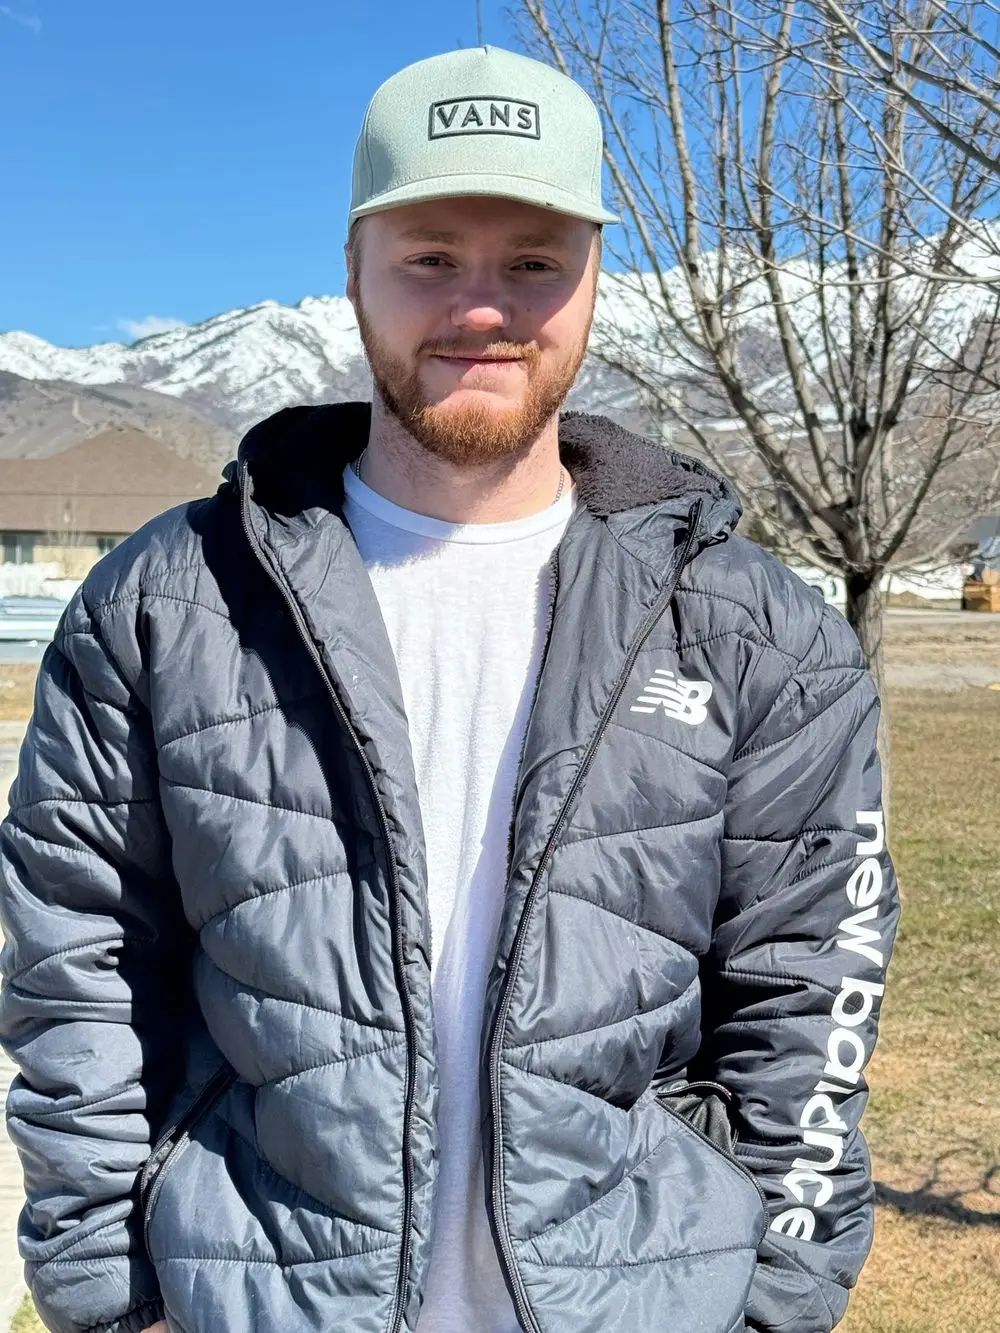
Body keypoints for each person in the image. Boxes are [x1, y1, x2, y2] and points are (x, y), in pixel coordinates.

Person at [0, 44, 899, 1333]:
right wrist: (109, 1295)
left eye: (534, 260)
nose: (484, 306)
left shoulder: (754, 628)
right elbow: (74, 963)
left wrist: (777, 1300)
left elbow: (814, 986)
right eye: (432, 257)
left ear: (594, 282)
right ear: (355, 266)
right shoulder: (167, 603)